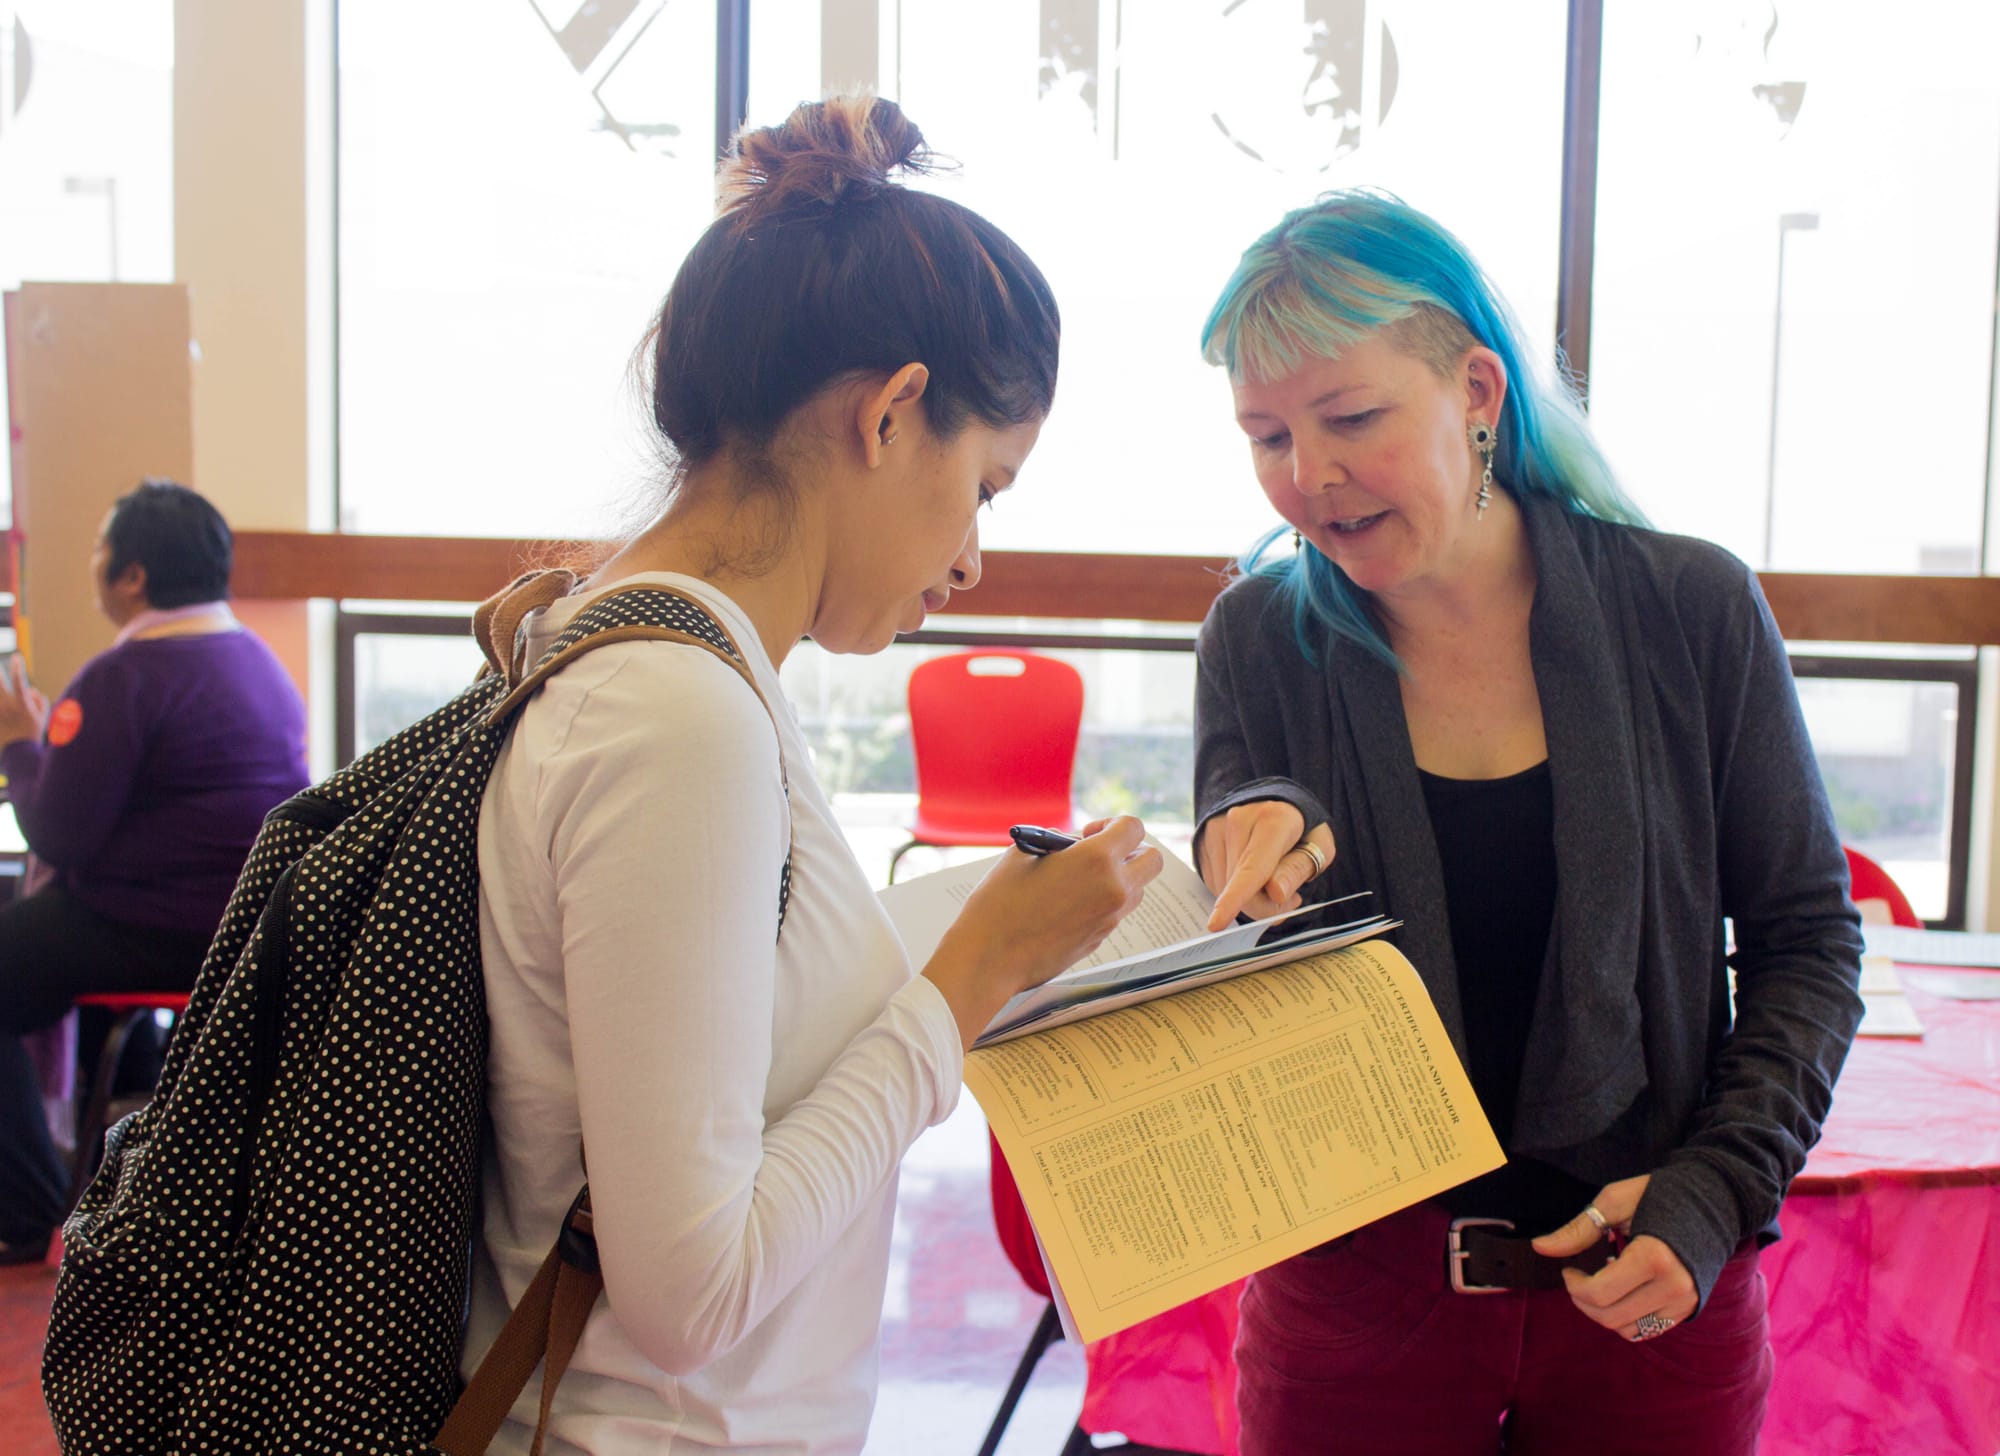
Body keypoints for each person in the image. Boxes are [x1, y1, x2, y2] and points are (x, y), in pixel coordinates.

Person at [461, 96, 1163, 1454]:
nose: (971, 560)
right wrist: (971, 979)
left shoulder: (628, 647)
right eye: (987, 486)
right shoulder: (677, 715)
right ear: (892, 414)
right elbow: (693, 1293)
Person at [1190, 190, 1864, 1454]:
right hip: (1353, 1295)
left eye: (1350, 418)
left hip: (1649, 1275)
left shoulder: (1692, 609)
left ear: (1476, 391)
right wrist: (1235, 843)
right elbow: (1239, 880)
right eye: (1265, 435)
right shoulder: (1258, 639)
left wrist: (1714, 1190)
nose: (1307, 477)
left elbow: (1805, 943)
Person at [0, 478, 309, 1263]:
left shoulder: (125, 676)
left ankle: (25, 1206)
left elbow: (61, 835)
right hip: (244, 926)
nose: (95, 565)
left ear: (132, 574)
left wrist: (18, 743)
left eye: (101, 549)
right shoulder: (256, 660)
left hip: (153, 925)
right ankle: (110, 1152)